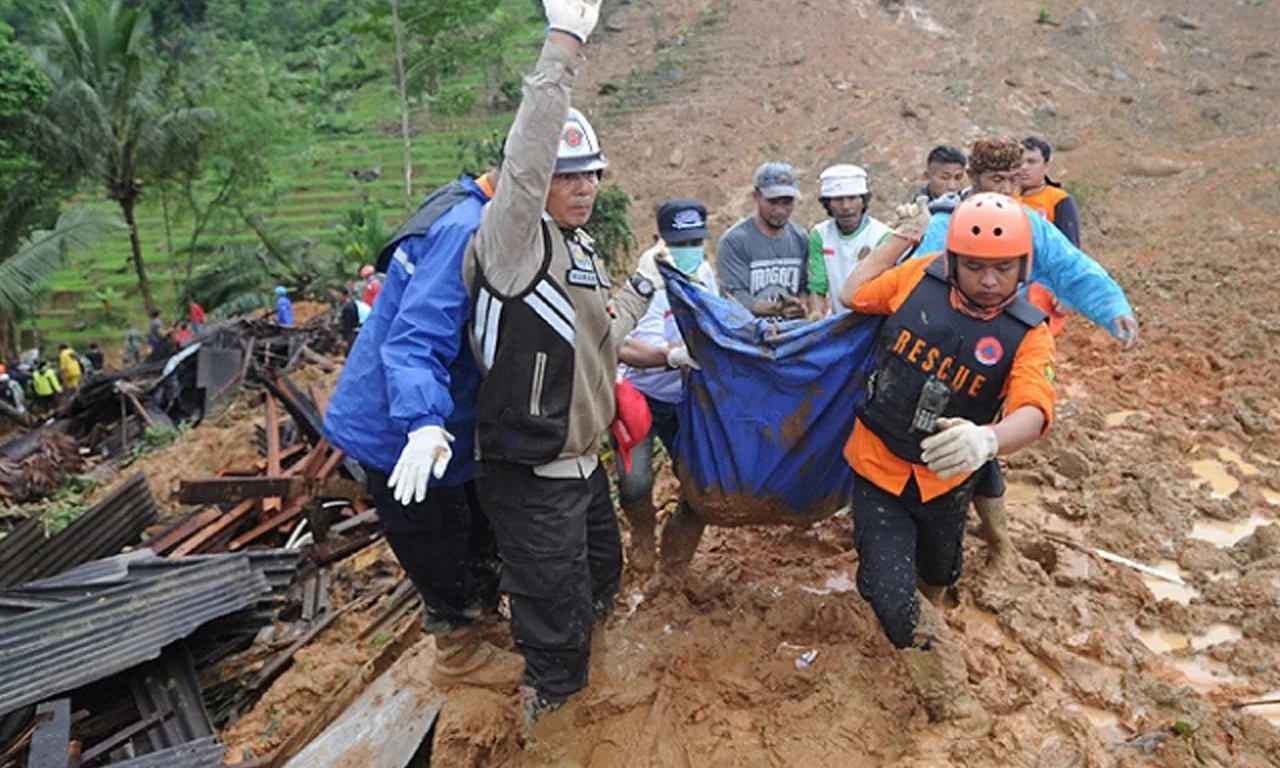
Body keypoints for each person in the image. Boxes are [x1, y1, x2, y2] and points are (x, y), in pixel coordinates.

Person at [459, 0, 661, 725]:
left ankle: (588, 690)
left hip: (583, 466)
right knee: (554, 628)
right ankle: (551, 720)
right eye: (567, 176)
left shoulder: (575, 250)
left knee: (599, 581)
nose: (584, 187)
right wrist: (563, 48)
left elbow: (599, 335)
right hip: (531, 471)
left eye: (591, 175)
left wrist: (643, 286)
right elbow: (526, 158)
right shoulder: (515, 243)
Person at [857, 135, 1138, 570]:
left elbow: (1072, 268)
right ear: (974, 178)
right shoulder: (945, 222)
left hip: (996, 352)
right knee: (927, 441)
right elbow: (911, 287)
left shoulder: (1029, 226)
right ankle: (920, 536)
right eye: (995, 179)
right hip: (934, 353)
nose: (1005, 190)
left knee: (983, 446)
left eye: (1013, 180)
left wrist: (1111, 306)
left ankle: (996, 538)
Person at [839, 193, 1056, 730]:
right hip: (878, 463)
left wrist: (988, 440)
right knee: (888, 592)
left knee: (939, 573)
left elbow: (1034, 408)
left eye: (1003, 269)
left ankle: (924, 608)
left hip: (947, 479)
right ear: (953, 260)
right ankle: (946, 694)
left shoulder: (1030, 332)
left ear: (1022, 268)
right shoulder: (916, 279)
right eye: (975, 266)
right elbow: (853, 293)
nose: (988, 280)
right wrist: (901, 237)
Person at [324, 156, 522, 692]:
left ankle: (483, 624)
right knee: (435, 536)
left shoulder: (472, 204)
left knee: (474, 523)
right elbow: (415, 341)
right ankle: (457, 652)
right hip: (402, 421)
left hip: (443, 410)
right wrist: (423, 421)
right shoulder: (467, 229)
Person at [616, 198, 716, 572]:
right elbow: (627, 349)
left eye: (694, 243)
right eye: (679, 243)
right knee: (634, 483)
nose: (688, 251)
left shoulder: (703, 274)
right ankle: (643, 530)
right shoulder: (648, 283)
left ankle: (676, 558)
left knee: (702, 483)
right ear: (658, 239)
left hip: (687, 397)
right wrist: (672, 356)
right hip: (642, 395)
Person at [717, 162, 814, 319]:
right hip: (748, 335)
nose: (780, 210)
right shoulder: (735, 241)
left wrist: (801, 306)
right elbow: (735, 297)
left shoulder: (800, 238)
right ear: (756, 196)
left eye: (787, 202)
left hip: (792, 333)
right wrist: (776, 309)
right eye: (773, 202)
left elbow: (804, 287)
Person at [806, 164, 894, 316]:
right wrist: (815, 313)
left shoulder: (882, 236)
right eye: (838, 200)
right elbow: (818, 285)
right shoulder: (820, 235)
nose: (846, 206)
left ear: (863, 201)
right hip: (837, 321)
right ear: (828, 204)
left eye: (852, 198)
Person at [1019, 136, 1079, 336]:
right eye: (1019, 162)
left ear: (1046, 165)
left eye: (1031, 162)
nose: (1024, 168)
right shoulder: (1007, 198)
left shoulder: (1057, 199)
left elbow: (1071, 250)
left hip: (1042, 291)